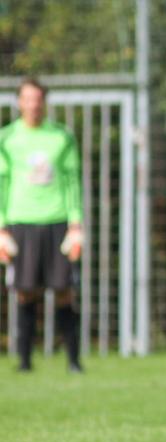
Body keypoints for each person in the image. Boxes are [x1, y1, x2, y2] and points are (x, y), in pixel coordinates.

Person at [0, 77, 83, 373]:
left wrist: (76, 224)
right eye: (28, 99)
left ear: (44, 102)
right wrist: (1, 228)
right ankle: (24, 361)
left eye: (38, 99)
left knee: (64, 290)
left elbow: (73, 181)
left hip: (57, 220)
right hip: (21, 221)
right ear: (20, 102)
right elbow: (2, 183)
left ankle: (73, 360)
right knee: (24, 291)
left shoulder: (61, 137)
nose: (33, 104)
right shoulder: (7, 138)